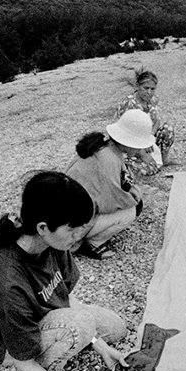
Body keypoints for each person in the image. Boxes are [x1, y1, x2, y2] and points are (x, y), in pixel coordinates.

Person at [0, 171, 128, 371]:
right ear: (43, 228)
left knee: (116, 329)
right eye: (73, 230)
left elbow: (64, 297)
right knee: (78, 324)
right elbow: (23, 361)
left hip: (47, 313)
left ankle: (73, 337)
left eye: (81, 228)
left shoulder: (55, 244)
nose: (79, 235)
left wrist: (100, 346)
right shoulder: (6, 278)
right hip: (11, 345)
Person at [66, 111, 147, 260]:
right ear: (128, 142)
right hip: (71, 223)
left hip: (68, 212)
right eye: (138, 146)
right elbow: (112, 201)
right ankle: (91, 243)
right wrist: (135, 196)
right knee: (133, 209)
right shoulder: (109, 159)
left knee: (133, 198)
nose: (139, 150)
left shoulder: (103, 147)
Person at [116, 69, 175, 169]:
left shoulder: (153, 100)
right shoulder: (129, 103)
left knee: (168, 128)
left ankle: (163, 159)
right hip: (132, 140)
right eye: (146, 88)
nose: (149, 92)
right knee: (147, 167)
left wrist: (150, 138)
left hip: (147, 136)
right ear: (137, 86)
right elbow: (127, 132)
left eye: (152, 89)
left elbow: (157, 120)